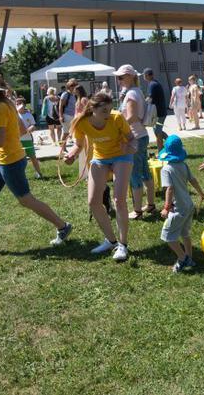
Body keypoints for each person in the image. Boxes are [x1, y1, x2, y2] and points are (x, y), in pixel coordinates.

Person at [0, 71, 72, 259]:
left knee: (26, 200)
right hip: (2, 159)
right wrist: (10, 142)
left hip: (10, 161)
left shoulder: (1, 107)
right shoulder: (5, 104)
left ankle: (63, 226)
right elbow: (22, 129)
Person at [63, 90, 137, 262]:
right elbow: (79, 144)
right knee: (93, 202)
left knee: (119, 200)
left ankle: (123, 245)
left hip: (122, 155)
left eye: (109, 110)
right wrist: (72, 155)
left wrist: (130, 147)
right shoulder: (81, 122)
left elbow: (132, 139)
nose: (108, 114)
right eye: (104, 111)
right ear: (92, 109)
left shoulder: (116, 118)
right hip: (100, 157)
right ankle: (111, 240)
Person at [158, 134, 204, 272]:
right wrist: (201, 193)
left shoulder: (166, 169)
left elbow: (170, 188)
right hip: (189, 206)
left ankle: (183, 258)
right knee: (185, 234)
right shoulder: (183, 165)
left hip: (178, 209)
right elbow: (193, 180)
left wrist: (166, 207)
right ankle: (190, 258)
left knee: (167, 236)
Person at [116, 64, 157, 219]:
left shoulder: (132, 94)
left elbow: (132, 116)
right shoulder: (137, 91)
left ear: (130, 76)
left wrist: (118, 127)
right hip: (141, 136)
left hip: (134, 137)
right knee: (145, 171)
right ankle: (151, 205)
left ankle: (138, 211)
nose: (119, 80)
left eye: (121, 77)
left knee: (135, 175)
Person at [16, 100, 44, 180]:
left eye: (20, 104)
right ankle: (20, 175)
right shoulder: (14, 115)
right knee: (19, 159)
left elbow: (34, 126)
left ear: (24, 105)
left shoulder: (28, 115)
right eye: (16, 104)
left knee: (32, 157)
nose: (18, 105)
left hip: (27, 139)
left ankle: (39, 173)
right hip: (17, 140)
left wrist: (30, 128)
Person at [143, 68, 168, 149]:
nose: (144, 77)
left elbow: (149, 99)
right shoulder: (153, 83)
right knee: (157, 131)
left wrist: (142, 105)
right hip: (160, 112)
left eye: (144, 75)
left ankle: (160, 151)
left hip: (159, 113)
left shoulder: (152, 84)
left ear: (147, 75)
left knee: (157, 132)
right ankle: (172, 142)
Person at [58, 79, 78, 145]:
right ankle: (62, 148)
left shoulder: (75, 94)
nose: (74, 86)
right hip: (66, 116)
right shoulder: (65, 94)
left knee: (73, 132)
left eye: (75, 85)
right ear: (68, 86)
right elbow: (60, 106)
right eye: (72, 85)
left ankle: (64, 148)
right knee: (66, 133)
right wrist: (61, 116)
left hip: (73, 116)